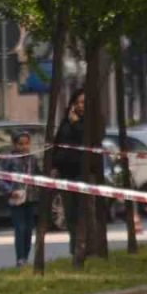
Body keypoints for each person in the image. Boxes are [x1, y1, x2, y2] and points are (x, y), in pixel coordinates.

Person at [52, 88, 85, 254]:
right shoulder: (65, 122)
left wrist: (76, 123)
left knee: (81, 214)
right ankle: (74, 248)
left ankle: (81, 248)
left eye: (83, 103)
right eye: (78, 102)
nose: (80, 106)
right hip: (65, 173)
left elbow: (86, 140)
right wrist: (54, 166)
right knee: (69, 213)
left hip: (81, 173)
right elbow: (57, 143)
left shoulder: (87, 122)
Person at [0, 131, 39, 267]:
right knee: (20, 228)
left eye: (27, 144)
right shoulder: (9, 159)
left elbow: (38, 175)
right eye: (20, 144)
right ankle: (20, 259)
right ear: (15, 144)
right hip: (16, 199)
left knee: (28, 229)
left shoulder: (32, 159)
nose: (24, 147)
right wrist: (11, 191)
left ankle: (26, 257)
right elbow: (2, 180)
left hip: (30, 198)